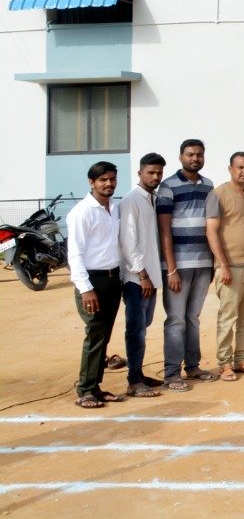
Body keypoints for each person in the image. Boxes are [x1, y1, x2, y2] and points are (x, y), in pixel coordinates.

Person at [156, 139, 218, 391]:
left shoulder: (209, 186)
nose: (195, 158)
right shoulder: (167, 187)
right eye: (190, 154)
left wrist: (212, 264)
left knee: (193, 317)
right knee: (176, 319)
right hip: (178, 266)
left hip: (203, 263)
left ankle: (193, 366)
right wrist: (171, 269)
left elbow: (212, 226)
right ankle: (172, 373)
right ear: (181, 156)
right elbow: (164, 231)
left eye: (199, 154)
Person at [67, 161, 124, 408]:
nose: (108, 183)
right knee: (95, 334)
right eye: (103, 180)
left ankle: (96, 387)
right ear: (92, 182)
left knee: (104, 335)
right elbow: (75, 253)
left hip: (112, 279)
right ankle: (85, 390)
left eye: (112, 179)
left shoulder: (115, 208)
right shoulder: (82, 212)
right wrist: (86, 288)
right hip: (92, 282)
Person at [206, 152, 244, 382]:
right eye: (240, 167)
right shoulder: (218, 195)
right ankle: (225, 363)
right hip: (230, 267)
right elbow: (211, 232)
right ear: (230, 168)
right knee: (227, 317)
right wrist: (223, 265)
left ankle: (241, 358)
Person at [118, 153, 166, 397]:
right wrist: (142, 275)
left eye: (159, 173)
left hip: (151, 277)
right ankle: (134, 381)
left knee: (143, 327)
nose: (155, 177)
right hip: (137, 279)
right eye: (151, 172)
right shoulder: (131, 200)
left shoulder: (153, 199)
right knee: (135, 329)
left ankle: (138, 373)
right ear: (140, 173)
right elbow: (128, 242)